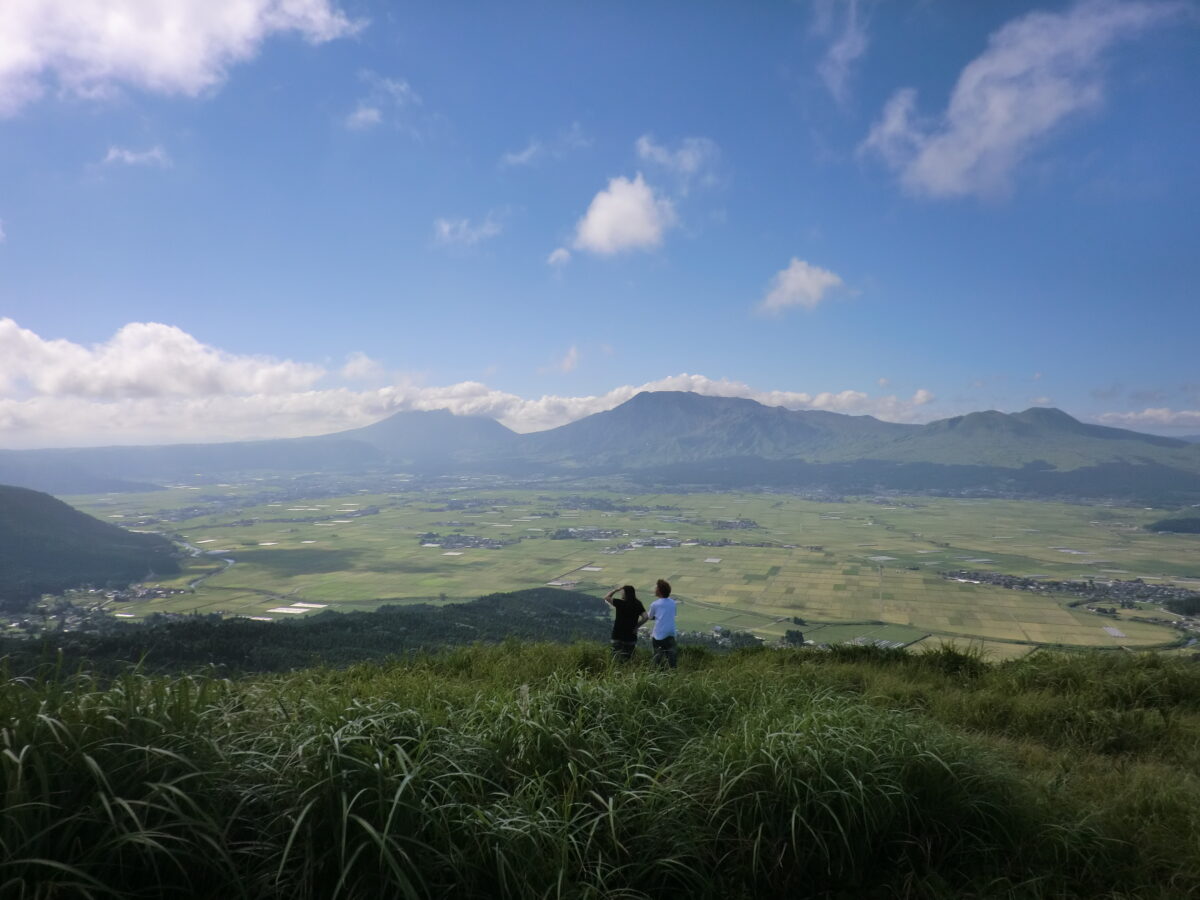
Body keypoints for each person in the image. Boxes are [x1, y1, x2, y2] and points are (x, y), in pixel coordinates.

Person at [603, 584, 645, 662]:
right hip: (630, 635)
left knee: (615, 659)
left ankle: (615, 672)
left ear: (625, 594)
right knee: (628, 659)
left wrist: (615, 590)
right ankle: (627, 672)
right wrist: (636, 627)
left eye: (622, 592)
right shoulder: (638, 604)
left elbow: (606, 597)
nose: (621, 593)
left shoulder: (620, 603)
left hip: (617, 634)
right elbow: (645, 617)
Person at [646, 578, 678, 669]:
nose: (655, 589)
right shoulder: (673, 603)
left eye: (656, 588)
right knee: (672, 659)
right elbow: (673, 615)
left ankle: (657, 673)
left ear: (659, 591)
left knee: (657, 659)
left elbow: (650, 617)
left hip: (659, 634)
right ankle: (672, 674)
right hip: (671, 633)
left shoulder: (655, 604)